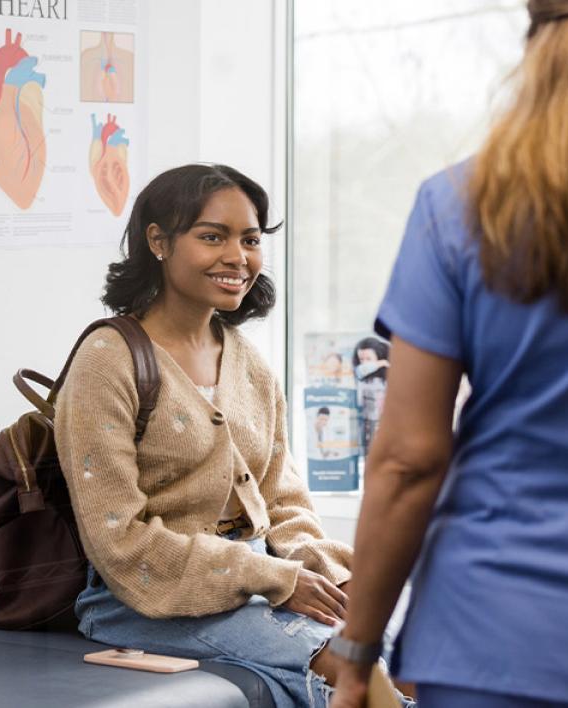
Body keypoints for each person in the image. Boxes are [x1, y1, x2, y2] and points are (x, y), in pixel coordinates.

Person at [331, 2, 568, 707]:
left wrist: (357, 655)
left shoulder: (458, 205)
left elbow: (409, 459)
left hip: (492, 632)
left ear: (536, 48)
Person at [53, 164, 412, 708]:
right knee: (357, 669)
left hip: (259, 577)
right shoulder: (107, 361)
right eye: (211, 236)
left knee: (420, 654)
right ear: (158, 241)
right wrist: (273, 578)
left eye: (249, 239)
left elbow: (283, 501)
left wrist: (326, 571)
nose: (237, 257)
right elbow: (119, 542)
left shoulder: (247, 361)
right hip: (142, 600)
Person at [351, 337, 390, 454]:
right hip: (367, 423)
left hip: (386, 423)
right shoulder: (361, 376)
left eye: (369, 358)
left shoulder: (388, 376)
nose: (365, 362)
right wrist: (381, 363)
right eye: (361, 359)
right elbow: (361, 370)